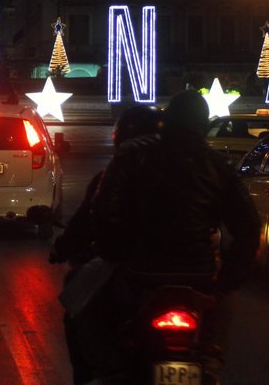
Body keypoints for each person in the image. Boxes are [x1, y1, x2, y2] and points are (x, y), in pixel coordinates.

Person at [81, 90, 261, 381]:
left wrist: (111, 251)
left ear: (167, 120)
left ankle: (108, 370)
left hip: (139, 274)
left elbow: (104, 211)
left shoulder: (133, 154)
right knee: (217, 330)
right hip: (198, 277)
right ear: (203, 124)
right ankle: (210, 362)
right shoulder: (219, 165)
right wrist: (225, 283)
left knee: (88, 315)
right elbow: (249, 228)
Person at [49, 105, 161, 384]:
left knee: (78, 304)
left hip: (131, 271)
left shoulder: (116, 172)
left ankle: (99, 371)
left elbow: (92, 217)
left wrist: (71, 247)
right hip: (193, 275)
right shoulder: (197, 169)